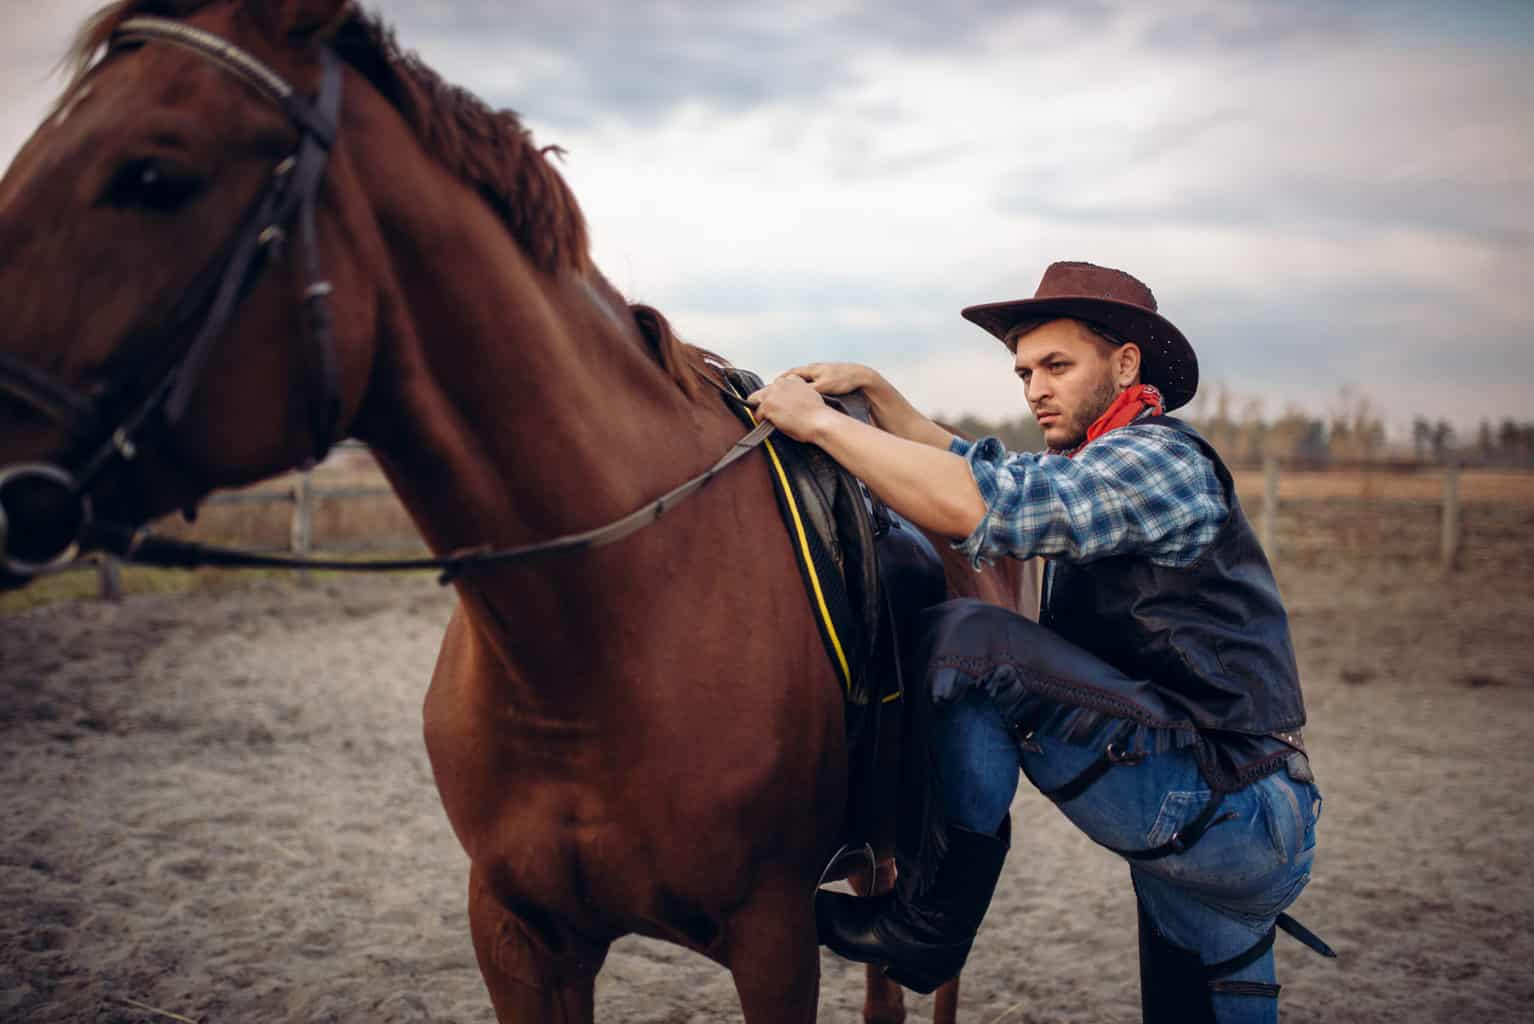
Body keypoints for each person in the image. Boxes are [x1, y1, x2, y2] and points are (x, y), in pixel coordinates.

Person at [748, 261, 1325, 1022]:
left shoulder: (1161, 460)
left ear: (1125, 364)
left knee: (972, 644)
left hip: (1224, 800)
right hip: (1223, 805)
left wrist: (821, 424)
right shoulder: (1094, 461)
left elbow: (994, 504)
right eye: (1023, 371)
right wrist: (883, 398)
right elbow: (987, 469)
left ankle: (928, 922)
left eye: (1057, 366)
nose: (1034, 389)